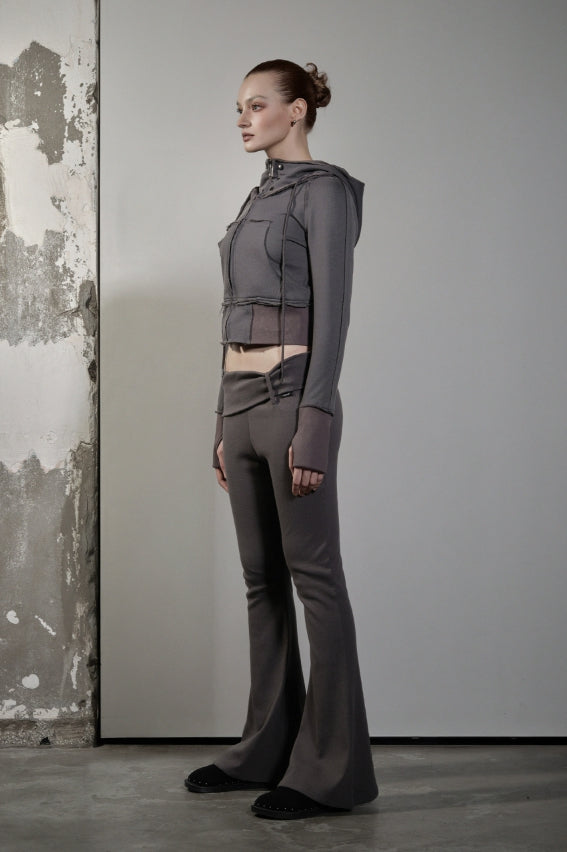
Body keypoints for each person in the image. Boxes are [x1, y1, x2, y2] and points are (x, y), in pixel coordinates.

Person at [184, 59, 378, 820]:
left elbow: (333, 314)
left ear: (296, 111)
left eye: (257, 105)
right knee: (260, 580)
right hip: (239, 405)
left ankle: (330, 773)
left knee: (315, 580)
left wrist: (315, 422)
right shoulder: (257, 195)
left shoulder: (324, 191)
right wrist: (219, 421)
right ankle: (265, 750)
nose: (243, 118)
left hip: (291, 397)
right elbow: (233, 311)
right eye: (239, 106)